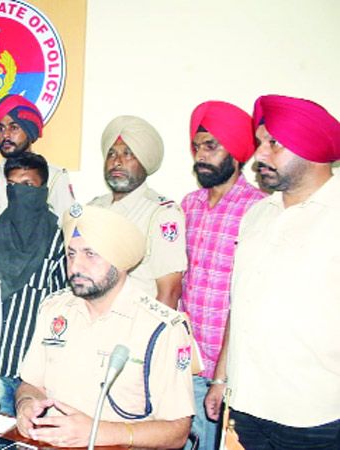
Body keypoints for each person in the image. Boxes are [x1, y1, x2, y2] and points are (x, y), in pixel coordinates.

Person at [205, 95, 340, 448]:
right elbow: (242, 303)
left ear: (310, 147)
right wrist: (221, 378)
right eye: (260, 142)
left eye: (273, 143)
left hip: (316, 416)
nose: (259, 156)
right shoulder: (257, 214)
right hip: (245, 407)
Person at [15, 205, 194, 449]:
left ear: (120, 261)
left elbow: (177, 432)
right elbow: (31, 384)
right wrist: (26, 404)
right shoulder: (53, 310)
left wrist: (99, 433)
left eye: (90, 254)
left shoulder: (161, 328)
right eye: (71, 254)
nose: (75, 267)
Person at [180, 101, 266, 450]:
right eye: (197, 147)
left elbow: (249, 299)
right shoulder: (188, 205)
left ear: (236, 152)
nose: (201, 155)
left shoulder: (258, 208)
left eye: (211, 146)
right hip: (183, 365)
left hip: (228, 373)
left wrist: (221, 377)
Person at [0, 152, 66, 416]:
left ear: (43, 189)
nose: (18, 193)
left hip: (31, 375)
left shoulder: (58, 241)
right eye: (12, 186)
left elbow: (62, 308)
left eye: (27, 185)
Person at [88, 115, 186, 308]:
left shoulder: (162, 214)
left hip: (134, 324)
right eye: (111, 154)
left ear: (144, 161)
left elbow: (170, 292)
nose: (117, 162)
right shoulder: (93, 208)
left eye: (128, 154)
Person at [0, 94, 74, 223]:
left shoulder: (54, 176)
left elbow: (68, 224)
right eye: (1, 129)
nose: (5, 135)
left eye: (14, 128)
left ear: (29, 132)